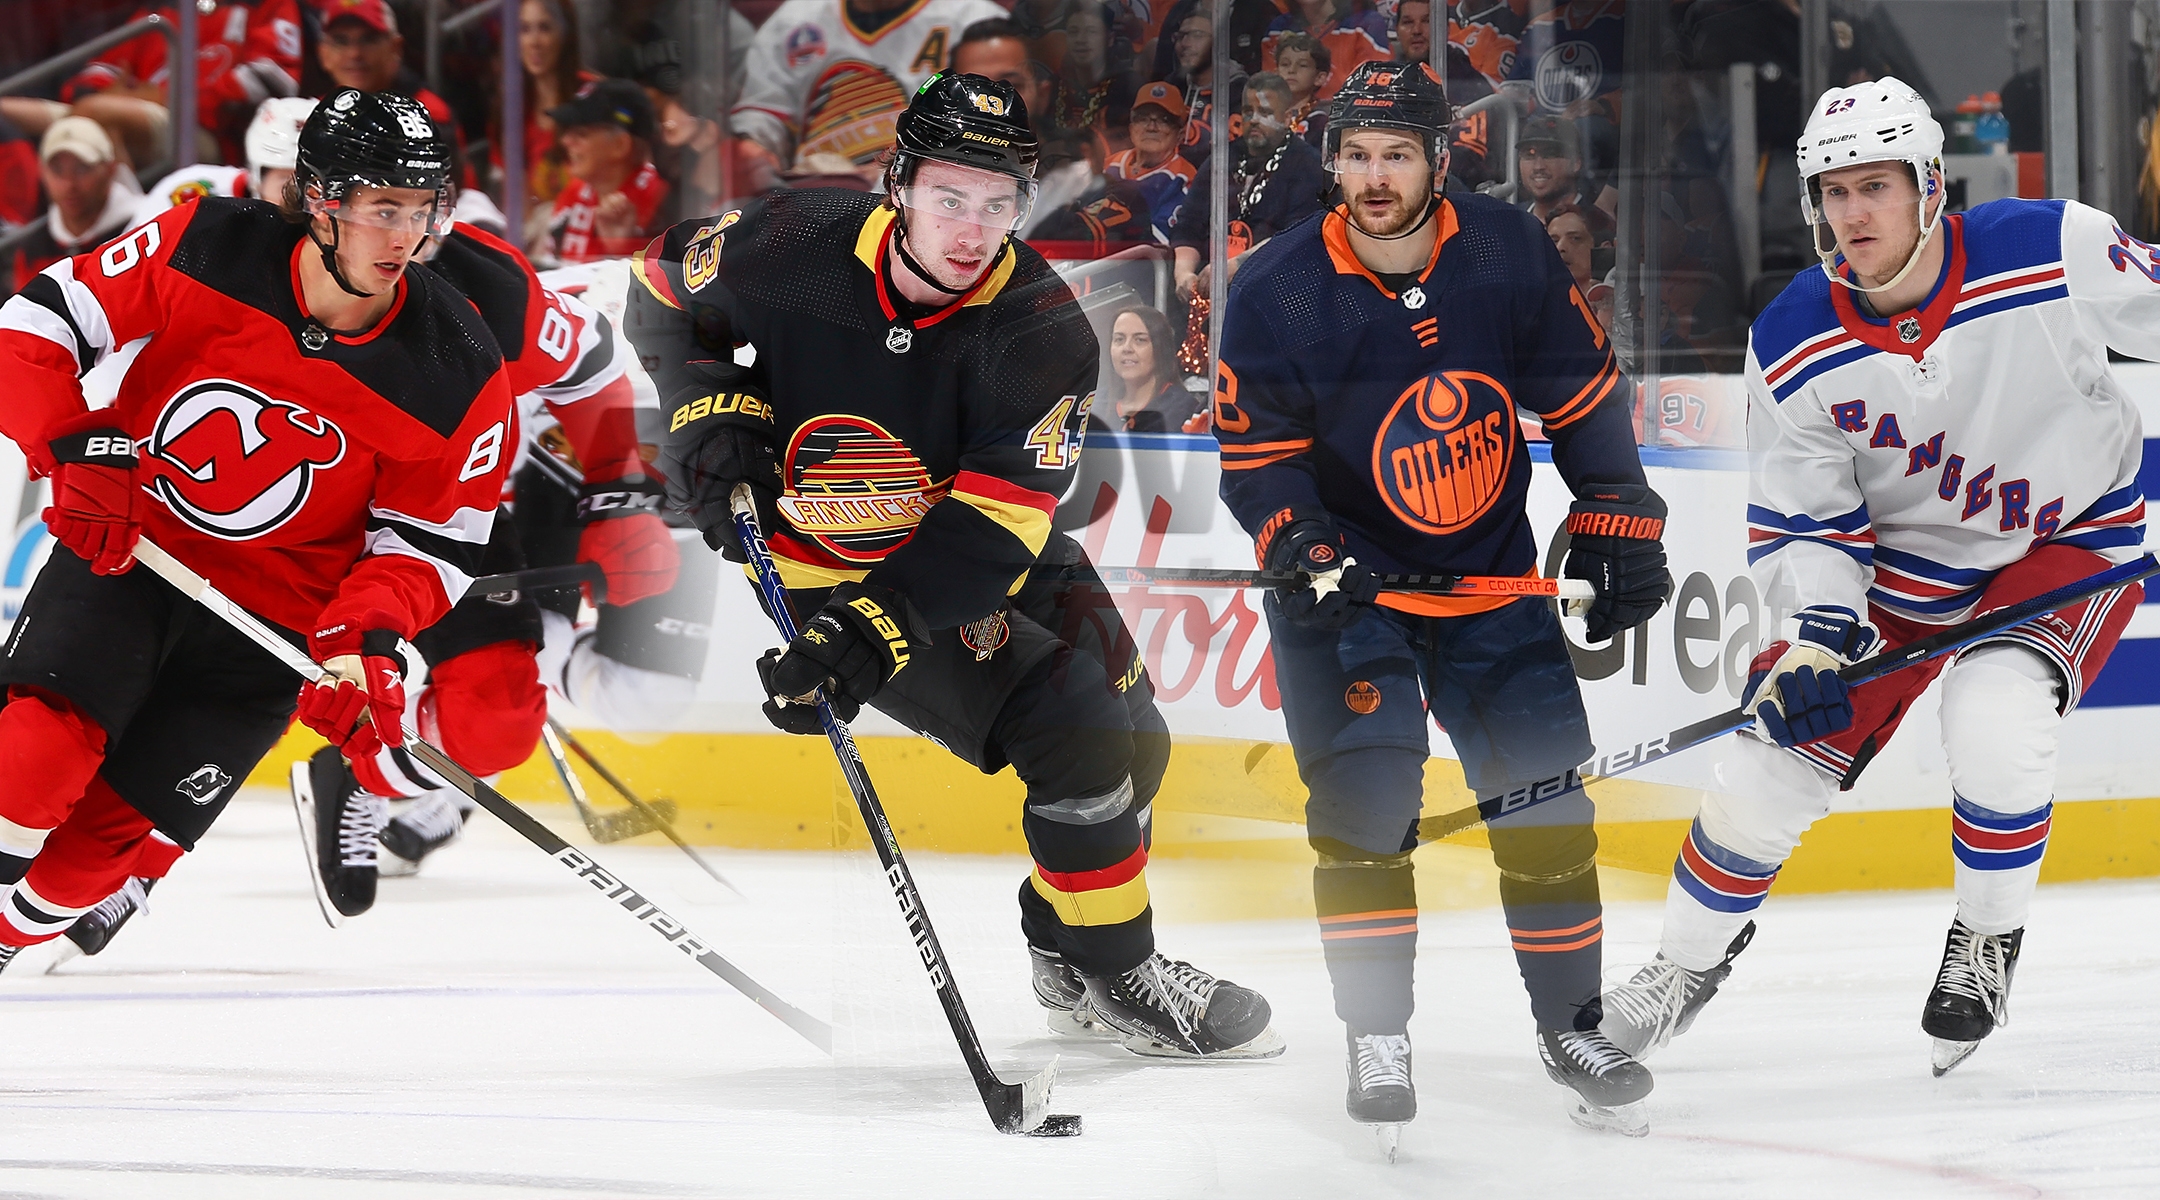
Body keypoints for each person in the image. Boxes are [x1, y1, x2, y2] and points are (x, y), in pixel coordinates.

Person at [626, 71, 1282, 1059]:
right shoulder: (792, 243)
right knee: (1072, 721)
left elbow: (994, 530)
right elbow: (660, 291)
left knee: (1135, 742)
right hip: (821, 566)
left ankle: (1067, 946)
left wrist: (869, 637)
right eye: (947, 198)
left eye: (997, 205)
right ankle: (1121, 972)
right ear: (897, 184)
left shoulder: (1040, 326)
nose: (972, 231)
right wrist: (711, 410)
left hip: (969, 548)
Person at [1599, 78, 2155, 1078]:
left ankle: (1984, 942)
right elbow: (1808, 517)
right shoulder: (1793, 337)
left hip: (2064, 540)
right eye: (1834, 192)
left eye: (1875, 187)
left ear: (1929, 185)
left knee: (1997, 719)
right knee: (1771, 766)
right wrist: (1817, 634)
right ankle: (1680, 970)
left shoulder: (2051, 245)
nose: (1852, 213)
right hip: (1897, 566)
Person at [1211, 60, 1671, 1137]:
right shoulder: (1276, 287)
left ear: (1438, 160)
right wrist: (1305, 539)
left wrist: (1619, 514)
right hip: (1346, 597)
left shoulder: (1505, 253)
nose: (1374, 178)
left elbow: (1584, 396)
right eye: (1358, 156)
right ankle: (1379, 1034)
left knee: (1549, 810)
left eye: (1397, 156)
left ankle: (1574, 1026)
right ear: (1335, 162)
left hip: (1488, 580)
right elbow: (1260, 463)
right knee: (1367, 818)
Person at [0, 88, 513, 972]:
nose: (408, 236)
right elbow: (34, 323)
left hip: (268, 637)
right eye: (384, 207)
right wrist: (75, 448)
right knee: (32, 760)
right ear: (321, 200)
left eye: (423, 210)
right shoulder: (209, 241)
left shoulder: (459, 368)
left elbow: (431, 544)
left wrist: (362, 646)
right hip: (132, 560)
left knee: (87, 872)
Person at [731, 0, 1006, 180]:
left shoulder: (973, 18)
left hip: (928, 196)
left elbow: (991, 129)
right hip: (813, 196)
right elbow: (763, 112)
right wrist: (753, 145)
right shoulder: (794, 20)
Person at [41, 0, 301, 169]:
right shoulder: (162, 9)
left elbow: (274, 78)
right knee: (11, 110)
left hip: (209, 135)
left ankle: (113, 217)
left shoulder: (268, 4)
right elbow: (92, 77)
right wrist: (114, 95)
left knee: (92, 116)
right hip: (130, 113)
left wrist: (171, 99)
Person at [1168, 72, 1326, 303]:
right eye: (1248, 111)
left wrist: (1238, 265)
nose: (1253, 120)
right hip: (1209, 289)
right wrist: (1183, 273)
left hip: (1274, 290)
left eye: (1265, 113)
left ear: (1286, 117)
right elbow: (1189, 224)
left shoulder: (1307, 165)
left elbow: (1297, 236)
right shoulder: (1222, 157)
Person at [313, 0, 467, 177]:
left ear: (396, 47)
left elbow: (451, 194)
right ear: (322, 53)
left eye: (368, 39)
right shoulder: (310, 113)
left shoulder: (429, 114)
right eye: (341, 41)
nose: (354, 53)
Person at [125, 97, 318, 232]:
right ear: (258, 177)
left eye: (313, 181)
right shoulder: (196, 189)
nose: (300, 194)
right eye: (286, 179)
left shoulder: (339, 228)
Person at [545, 79, 670, 265]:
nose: (565, 141)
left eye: (581, 134)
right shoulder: (574, 193)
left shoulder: (660, 200)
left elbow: (667, 284)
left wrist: (623, 248)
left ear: (620, 145)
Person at [496, 0, 604, 215]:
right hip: (539, 236)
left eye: (544, 28)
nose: (534, 42)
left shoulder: (595, 94)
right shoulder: (510, 108)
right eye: (524, 30)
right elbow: (519, 207)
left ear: (565, 35)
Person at [11, 118, 144, 289]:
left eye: (83, 169)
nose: (69, 184)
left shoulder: (142, 228)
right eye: (57, 170)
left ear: (110, 169)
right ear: (42, 172)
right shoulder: (33, 249)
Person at [1104, 81, 1196, 241]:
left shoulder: (1185, 180)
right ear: (1131, 128)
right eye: (1143, 118)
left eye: (1164, 120)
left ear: (1180, 134)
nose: (1151, 127)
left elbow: (1156, 245)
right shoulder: (1109, 164)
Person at [1092, 304, 1196, 431]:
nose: (1127, 348)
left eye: (1140, 340)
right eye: (1119, 339)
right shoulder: (1094, 405)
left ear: (1161, 348)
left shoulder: (1182, 410)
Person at [1260, 0, 1387, 103]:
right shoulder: (1277, 28)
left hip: (1344, 122)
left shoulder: (1366, 24)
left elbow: (1373, 90)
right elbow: (1272, 93)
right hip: (1289, 121)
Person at [1167, 7, 1244, 173]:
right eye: (1181, 37)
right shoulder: (1171, 87)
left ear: (1219, 42)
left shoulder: (1241, 91)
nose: (1185, 44)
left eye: (1197, 35)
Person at [1514, 114, 1615, 222]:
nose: (1538, 166)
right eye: (1529, 155)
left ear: (1576, 163)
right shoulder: (1509, 219)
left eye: (1550, 154)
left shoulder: (1595, 223)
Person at [1271, 32, 1330, 149]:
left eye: (1302, 65)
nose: (1291, 70)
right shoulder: (1265, 115)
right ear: (1276, 72)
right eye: (1285, 64)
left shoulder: (1321, 122)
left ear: (1319, 78)